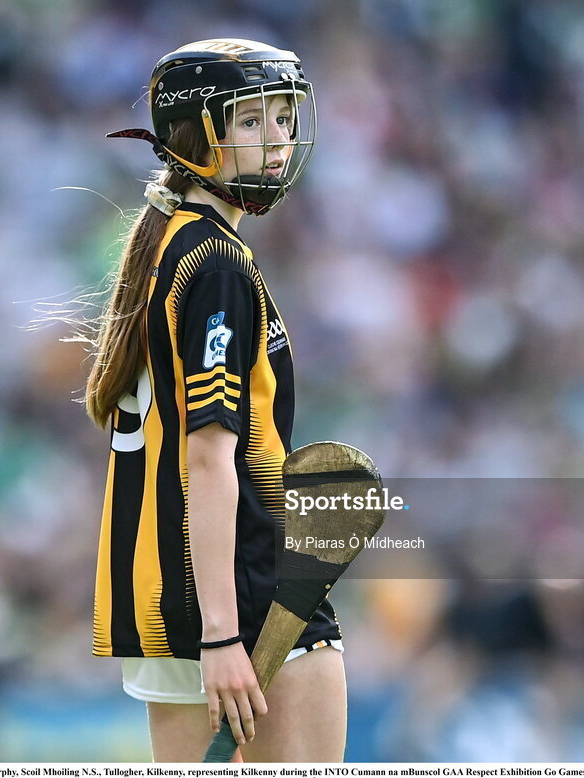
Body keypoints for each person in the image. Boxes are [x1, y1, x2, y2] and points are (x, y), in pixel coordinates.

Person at [86, 39, 345, 762]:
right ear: (196, 136)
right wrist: (224, 634)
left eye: (284, 118)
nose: (278, 139)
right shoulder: (218, 264)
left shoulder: (167, 242)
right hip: (247, 602)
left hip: (168, 596)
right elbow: (208, 458)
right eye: (252, 121)